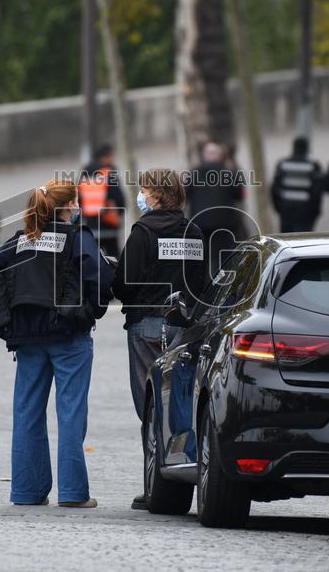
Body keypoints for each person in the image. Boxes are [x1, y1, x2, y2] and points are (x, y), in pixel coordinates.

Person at [0, 179, 114, 508]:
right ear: (68, 206)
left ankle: (26, 491)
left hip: (27, 337)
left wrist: (9, 310)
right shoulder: (78, 238)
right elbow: (99, 280)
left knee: (26, 413)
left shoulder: (22, 239)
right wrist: (88, 312)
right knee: (70, 414)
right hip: (69, 336)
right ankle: (72, 493)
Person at [113, 168, 207, 510]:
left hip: (147, 326)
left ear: (155, 195)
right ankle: (182, 469)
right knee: (180, 404)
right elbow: (202, 284)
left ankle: (156, 488)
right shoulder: (193, 232)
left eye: (143, 190)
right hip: (183, 328)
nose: (140, 196)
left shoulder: (142, 232)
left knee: (150, 407)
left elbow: (123, 283)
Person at [185, 141, 246, 279]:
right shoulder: (228, 172)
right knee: (223, 259)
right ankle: (220, 289)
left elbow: (184, 195)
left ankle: (202, 291)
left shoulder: (194, 172)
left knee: (200, 260)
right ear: (220, 156)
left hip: (199, 223)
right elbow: (239, 195)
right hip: (224, 223)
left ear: (204, 156)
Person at [78, 144, 126, 257]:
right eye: (111, 156)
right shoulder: (108, 171)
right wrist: (119, 216)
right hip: (109, 225)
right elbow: (119, 198)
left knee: (93, 260)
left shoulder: (84, 172)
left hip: (90, 227)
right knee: (114, 261)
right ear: (105, 157)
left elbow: (77, 198)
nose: (113, 159)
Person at [270, 137, 323, 232]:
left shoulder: (283, 164)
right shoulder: (313, 166)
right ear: (307, 149)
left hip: (287, 210)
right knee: (303, 242)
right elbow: (317, 191)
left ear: (293, 148)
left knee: (287, 240)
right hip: (306, 212)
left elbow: (274, 189)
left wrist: (279, 208)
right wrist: (315, 211)